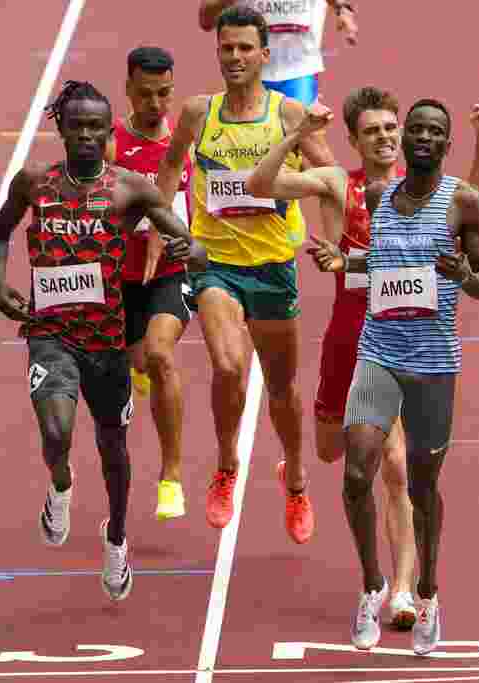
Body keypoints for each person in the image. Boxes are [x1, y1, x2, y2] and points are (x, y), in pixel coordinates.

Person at [246, 89, 479, 630]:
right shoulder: (342, 183)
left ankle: (403, 591)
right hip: (348, 331)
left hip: (400, 344)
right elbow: (261, 186)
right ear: (356, 140)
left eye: (391, 127)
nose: (385, 137)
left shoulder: (442, 195)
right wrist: (296, 135)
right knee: (334, 453)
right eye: (374, 131)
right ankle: (296, 470)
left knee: (398, 467)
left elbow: (476, 207)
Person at [0, 80, 207, 602]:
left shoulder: (132, 189)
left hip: (108, 341)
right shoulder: (33, 183)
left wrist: (188, 247)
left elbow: (192, 248)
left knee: (114, 450)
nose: (85, 135)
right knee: (57, 432)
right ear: (60, 128)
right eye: (76, 125)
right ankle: (60, 484)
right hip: (51, 333)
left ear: (109, 131)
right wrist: (0, 285)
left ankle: (117, 537)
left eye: (95, 127)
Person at [156, 5, 336, 543]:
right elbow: (170, 166)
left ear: (263, 54)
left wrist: (330, 240)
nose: (233, 57)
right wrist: (166, 228)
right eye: (225, 47)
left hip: (274, 268)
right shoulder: (197, 112)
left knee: (281, 388)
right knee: (228, 367)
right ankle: (227, 465)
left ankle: (296, 475)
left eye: (243, 49)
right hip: (216, 266)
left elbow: (329, 177)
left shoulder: (288, 116)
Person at [105, 46, 196, 521]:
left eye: (164, 94)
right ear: (128, 90)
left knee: (161, 355)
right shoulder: (111, 143)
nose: (156, 104)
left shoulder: (185, 145)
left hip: (170, 274)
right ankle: (135, 365)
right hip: (119, 279)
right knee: (130, 361)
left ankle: (172, 476)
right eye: (145, 94)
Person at [199, 0, 359, 107]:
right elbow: (205, 19)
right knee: (254, 146)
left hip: (299, 72)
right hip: (250, 75)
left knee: (301, 142)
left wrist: (343, 10)